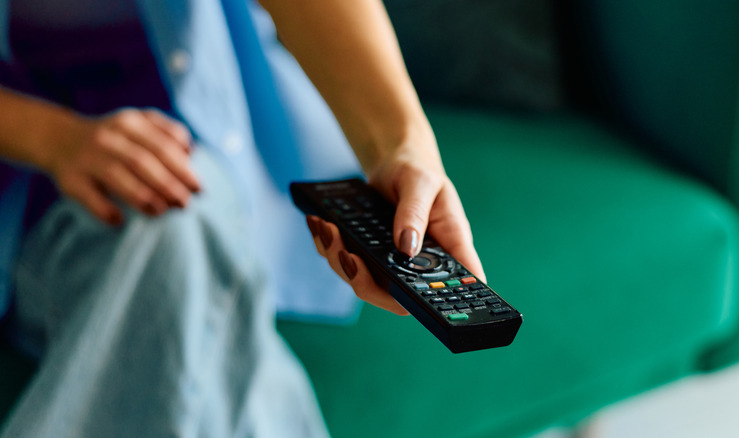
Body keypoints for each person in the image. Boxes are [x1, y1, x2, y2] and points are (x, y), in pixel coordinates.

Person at [0, 0, 485, 436]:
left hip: (185, 132)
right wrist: (56, 139)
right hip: (24, 158)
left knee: (178, 216)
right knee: (179, 230)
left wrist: (401, 144)